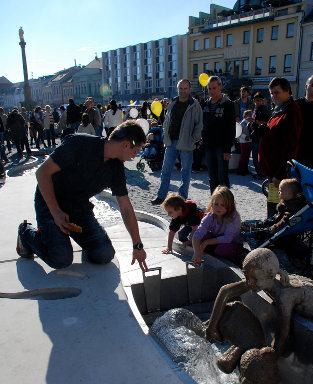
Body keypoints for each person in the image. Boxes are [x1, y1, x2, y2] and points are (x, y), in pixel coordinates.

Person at [16, 121, 148, 271]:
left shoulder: (115, 167)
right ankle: (25, 232)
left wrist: (137, 245)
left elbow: (125, 208)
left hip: (79, 208)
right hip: (50, 203)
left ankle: (68, 238)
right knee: (61, 258)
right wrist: (56, 213)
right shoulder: (79, 143)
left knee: (104, 254)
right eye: (135, 151)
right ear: (125, 145)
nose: (134, 156)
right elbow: (42, 173)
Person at [151, 79, 203, 204]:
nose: (183, 91)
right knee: (166, 170)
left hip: (186, 143)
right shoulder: (173, 102)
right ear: (177, 89)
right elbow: (167, 121)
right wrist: (165, 136)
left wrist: (193, 140)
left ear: (189, 89)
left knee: (185, 172)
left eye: (185, 88)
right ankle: (161, 195)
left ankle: (182, 197)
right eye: (181, 88)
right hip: (171, 141)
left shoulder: (194, 105)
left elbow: (199, 124)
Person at [258, 77, 303, 186]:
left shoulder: (291, 111)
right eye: (272, 93)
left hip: (280, 175)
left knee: (278, 203)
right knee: (273, 202)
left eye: (277, 92)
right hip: (273, 170)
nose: (274, 96)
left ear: (287, 91)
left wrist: (280, 174)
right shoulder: (280, 108)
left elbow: (291, 146)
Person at [192, 186, 242, 266]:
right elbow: (197, 234)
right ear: (212, 204)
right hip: (216, 242)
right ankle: (206, 254)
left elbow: (228, 238)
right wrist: (196, 252)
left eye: (223, 205)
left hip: (232, 243)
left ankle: (232, 261)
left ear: (229, 205)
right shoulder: (210, 216)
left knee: (221, 249)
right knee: (201, 238)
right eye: (216, 204)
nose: (219, 208)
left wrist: (206, 242)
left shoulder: (232, 217)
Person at [201, 76, 236, 192]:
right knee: (212, 177)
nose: (211, 91)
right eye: (209, 89)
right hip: (209, 145)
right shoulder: (205, 104)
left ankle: (226, 206)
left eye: (214, 88)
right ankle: (214, 203)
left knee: (223, 177)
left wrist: (228, 149)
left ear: (220, 87)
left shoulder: (228, 104)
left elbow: (231, 128)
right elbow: (203, 123)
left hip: (222, 146)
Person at [249, 93, 271, 177]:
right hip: (255, 134)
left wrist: (254, 121)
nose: (259, 102)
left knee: (258, 155)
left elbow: (267, 122)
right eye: (257, 100)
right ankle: (259, 172)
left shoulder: (264, 109)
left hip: (260, 135)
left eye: (261, 100)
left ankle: (260, 173)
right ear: (254, 101)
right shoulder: (255, 109)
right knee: (255, 155)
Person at [237, 109, 253, 176]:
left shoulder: (251, 122)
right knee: (243, 156)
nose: (250, 115)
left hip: (249, 141)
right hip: (243, 141)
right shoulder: (243, 122)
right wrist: (245, 137)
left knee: (247, 156)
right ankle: (241, 170)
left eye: (251, 114)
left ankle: (245, 169)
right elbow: (239, 132)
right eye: (249, 114)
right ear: (245, 115)